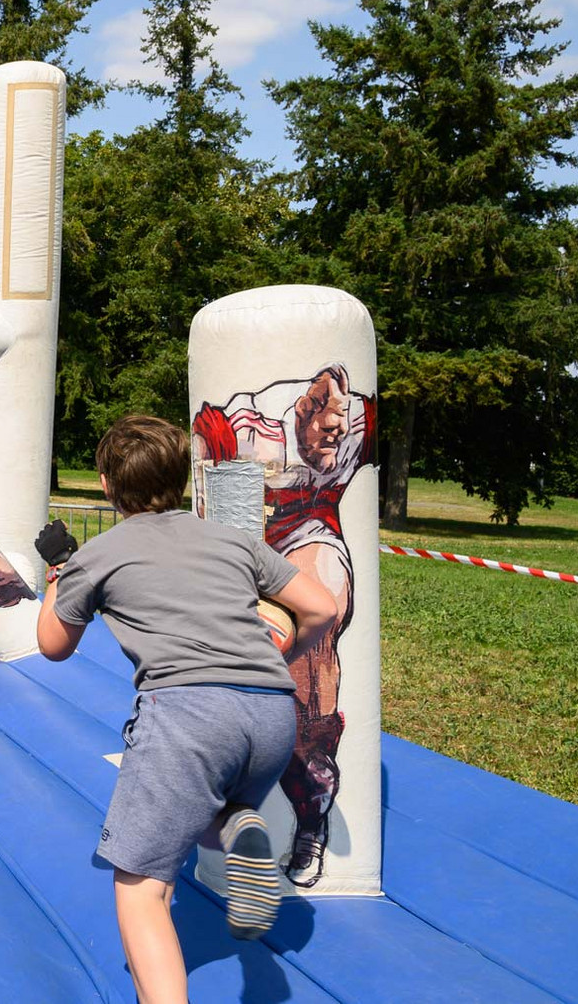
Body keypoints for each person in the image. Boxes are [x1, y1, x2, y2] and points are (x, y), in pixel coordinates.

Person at [34, 415, 338, 1004]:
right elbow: (321, 608)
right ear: (183, 478)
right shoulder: (231, 540)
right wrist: (281, 654)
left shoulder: (98, 555)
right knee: (201, 810)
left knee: (142, 887)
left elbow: (52, 645)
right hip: (273, 714)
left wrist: (59, 578)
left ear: (104, 484)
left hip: (188, 717)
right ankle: (237, 824)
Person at [192, 364, 373, 885]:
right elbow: (220, 524)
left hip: (313, 529)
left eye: (342, 432)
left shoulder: (356, 418)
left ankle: (311, 805)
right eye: (325, 430)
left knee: (317, 624)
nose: (334, 444)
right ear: (304, 409)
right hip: (250, 537)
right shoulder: (248, 429)